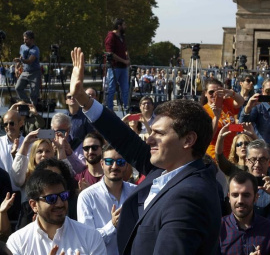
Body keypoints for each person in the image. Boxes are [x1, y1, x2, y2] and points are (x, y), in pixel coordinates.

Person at [69, 47, 222, 255]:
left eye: (159, 133)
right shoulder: (165, 170)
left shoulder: (189, 196)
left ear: (188, 140)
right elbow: (125, 139)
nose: (149, 139)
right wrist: (83, 100)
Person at [6, 170, 106, 254]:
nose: (60, 204)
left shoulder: (90, 236)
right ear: (34, 205)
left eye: (63, 196)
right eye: (51, 198)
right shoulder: (18, 242)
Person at [77, 144, 136, 255]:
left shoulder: (136, 192)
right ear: (102, 164)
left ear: (126, 165)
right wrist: (112, 225)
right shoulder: (87, 197)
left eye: (120, 162)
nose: (114, 166)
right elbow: (87, 241)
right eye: (109, 161)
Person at [218, 171, 270, 255]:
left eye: (246, 195)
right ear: (229, 197)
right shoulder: (218, 229)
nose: (240, 201)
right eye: (235, 195)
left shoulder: (267, 228)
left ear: (256, 197)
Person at [201, 78, 244, 159]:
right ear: (205, 93)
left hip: (232, 153)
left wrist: (231, 93)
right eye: (211, 92)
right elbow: (209, 136)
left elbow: (241, 102)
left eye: (218, 92)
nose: (214, 94)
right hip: (215, 155)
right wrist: (216, 118)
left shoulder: (227, 102)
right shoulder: (204, 111)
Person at [105, 18, 130, 110]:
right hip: (114, 67)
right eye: (124, 25)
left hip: (123, 67)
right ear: (119, 26)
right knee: (111, 89)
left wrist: (127, 58)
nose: (125, 27)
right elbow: (110, 53)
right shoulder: (111, 36)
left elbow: (125, 50)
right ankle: (110, 108)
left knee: (125, 89)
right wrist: (124, 61)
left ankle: (125, 107)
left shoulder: (122, 37)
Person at [14, 30, 41, 106]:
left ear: (32, 40)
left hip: (35, 73)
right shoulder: (22, 47)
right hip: (25, 72)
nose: (24, 41)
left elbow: (29, 61)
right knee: (18, 88)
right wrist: (17, 67)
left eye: (26, 39)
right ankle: (27, 104)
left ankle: (33, 110)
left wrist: (20, 60)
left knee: (34, 94)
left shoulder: (35, 49)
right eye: (24, 39)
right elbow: (21, 57)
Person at [239, 78, 270, 144]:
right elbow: (240, 128)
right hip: (262, 150)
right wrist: (248, 108)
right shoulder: (257, 107)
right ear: (263, 91)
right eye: (268, 91)